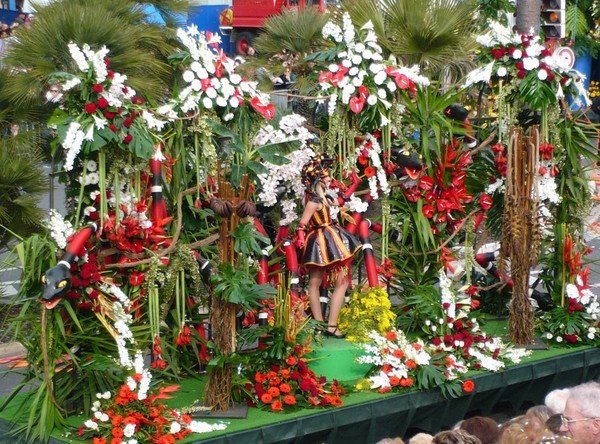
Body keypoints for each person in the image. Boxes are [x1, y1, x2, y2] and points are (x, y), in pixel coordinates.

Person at [295, 153, 361, 338]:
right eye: (325, 176)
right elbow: (302, 224)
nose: (329, 178)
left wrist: (355, 184)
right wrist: (300, 238)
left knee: (332, 282)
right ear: (317, 179)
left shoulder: (321, 198)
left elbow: (341, 201)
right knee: (324, 282)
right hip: (322, 239)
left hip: (328, 238)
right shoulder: (314, 201)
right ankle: (326, 324)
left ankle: (325, 324)